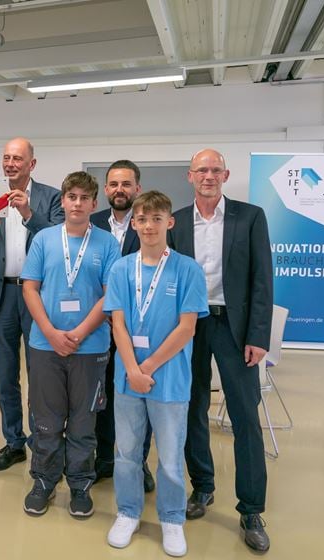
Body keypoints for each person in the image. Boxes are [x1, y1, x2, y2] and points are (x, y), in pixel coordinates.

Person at [170, 149, 273, 552]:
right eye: (202, 170)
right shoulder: (176, 221)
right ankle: (203, 487)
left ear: (225, 175)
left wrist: (258, 335)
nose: (208, 176)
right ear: (190, 175)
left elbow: (262, 277)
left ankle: (250, 509)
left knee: (245, 416)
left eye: (215, 170)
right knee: (191, 408)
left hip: (235, 328)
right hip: (191, 326)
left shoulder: (250, 216)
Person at [103, 191, 208, 557]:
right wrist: (132, 369)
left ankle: (172, 519)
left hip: (169, 379)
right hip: (127, 380)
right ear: (134, 224)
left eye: (156, 219)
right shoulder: (120, 268)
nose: (149, 226)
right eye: (142, 220)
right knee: (128, 452)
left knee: (169, 456)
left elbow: (187, 328)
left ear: (170, 222)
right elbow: (118, 324)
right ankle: (128, 512)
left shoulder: (187, 269)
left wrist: (145, 368)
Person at [19, 171, 119, 518]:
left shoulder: (107, 244)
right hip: (45, 345)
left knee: (83, 421)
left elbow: (110, 296)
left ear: (94, 204)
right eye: (71, 196)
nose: (77, 203)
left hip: (90, 347)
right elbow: (30, 287)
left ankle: (79, 483)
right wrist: (49, 332)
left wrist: (78, 333)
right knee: (45, 419)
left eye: (84, 198)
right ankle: (44, 481)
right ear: (62, 201)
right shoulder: (45, 239)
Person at [0, 137, 63, 472]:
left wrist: (27, 213)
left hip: (38, 297)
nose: (10, 164)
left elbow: (58, 242)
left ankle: (42, 443)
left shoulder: (51, 197)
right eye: (6, 158)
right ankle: (13, 442)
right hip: (1, 297)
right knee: (5, 377)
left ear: (32, 164)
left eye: (18, 159)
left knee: (40, 376)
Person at [90, 160, 155, 493]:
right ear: (105, 190)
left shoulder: (150, 224)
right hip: (100, 326)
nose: (119, 190)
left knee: (136, 397)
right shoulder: (92, 222)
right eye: (113, 184)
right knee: (103, 397)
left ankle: (138, 462)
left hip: (137, 327)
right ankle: (104, 459)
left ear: (137, 189)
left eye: (126, 184)